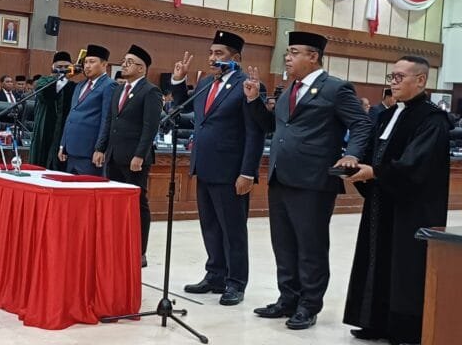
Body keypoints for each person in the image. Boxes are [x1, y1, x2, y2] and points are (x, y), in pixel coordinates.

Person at [242, 32, 372, 330]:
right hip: (281, 177)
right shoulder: (290, 90)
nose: (287, 58)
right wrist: (252, 100)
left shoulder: (335, 88)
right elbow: (273, 127)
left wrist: (352, 154)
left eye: (293, 52)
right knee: (284, 244)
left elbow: (361, 123)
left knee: (310, 246)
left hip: (313, 180)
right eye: (287, 53)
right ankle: (287, 298)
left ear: (313, 56)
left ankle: (309, 305)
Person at [343, 56, 450, 345]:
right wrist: (355, 165)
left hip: (412, 208)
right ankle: (374, 322)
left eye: (400, 77)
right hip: (382, 200)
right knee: (376, 258)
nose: (393, 82)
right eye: (392, 76)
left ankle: (403, 329)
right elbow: (371, 152)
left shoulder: (432, 120)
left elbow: (417, 164)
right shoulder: (387, 115)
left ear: (421, 80)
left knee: (405, 265)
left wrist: (376, 172)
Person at [172, 31, 265, 306]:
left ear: (235, 58)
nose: (212, 58)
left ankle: (236, 282)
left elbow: (255, 132)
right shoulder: (205, 82)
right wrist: (179, 81)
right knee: (210, 226)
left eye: (219, 53)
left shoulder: (246, 85)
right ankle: (215, 275)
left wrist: (247, 172)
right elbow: (183, 108)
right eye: (211, 53)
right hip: (204, 166)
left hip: (231, 171)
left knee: (232, 230)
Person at [94, 45, 162, 268]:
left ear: (141, 68)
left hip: (134, 159)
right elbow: (109, 121)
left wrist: (139, 155)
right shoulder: (118, 89)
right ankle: (117, 244)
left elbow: (150, 127)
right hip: (114, 155)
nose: (124, 65)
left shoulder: (150, 92)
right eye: (124, 61)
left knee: (138, 203)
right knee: (115, 201)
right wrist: (101, 148)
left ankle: (140, 251)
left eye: (129, 62)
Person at [58, 44, 116, 176]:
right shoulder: (80, 85)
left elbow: (106, 120)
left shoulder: (109, 85)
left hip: (90, 152)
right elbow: (71, 115)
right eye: (85, 62)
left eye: (92, 62)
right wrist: (63, 144)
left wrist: (100, 148)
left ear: (104, 64)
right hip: (71, 150)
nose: (87, 66)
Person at [29, 51, 76, 170]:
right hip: (45, 129)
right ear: (53, 67)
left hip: (63, 132)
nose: (63, 70)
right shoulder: (43, 81)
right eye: (59, 66)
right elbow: (46, 95)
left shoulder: (74, 86)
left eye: (66, 67)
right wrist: (64, 79)